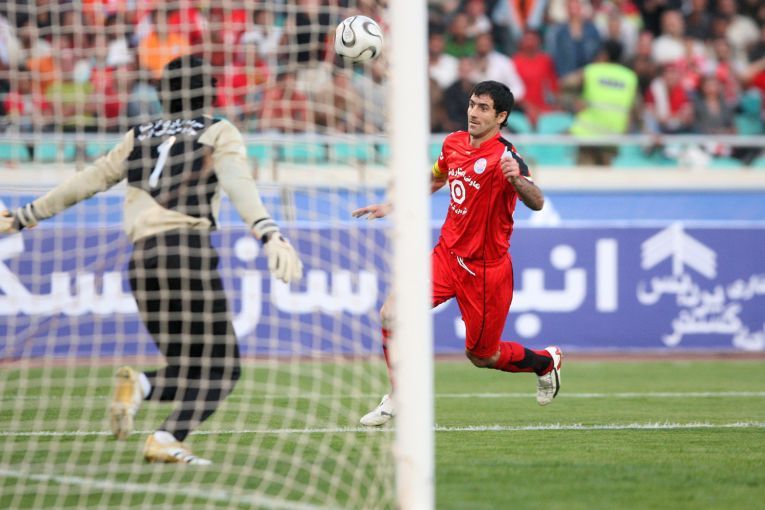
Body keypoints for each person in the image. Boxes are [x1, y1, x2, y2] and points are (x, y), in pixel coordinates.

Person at [0, 55, 303, 464]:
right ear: (209, 93)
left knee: (190, 369)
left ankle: (141, 387)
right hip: (187, 254)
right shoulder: (217, 130)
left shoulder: (137, 135)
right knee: (223, 370)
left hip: (143, 261)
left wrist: (24, 216)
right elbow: (238, 182)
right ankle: (165, 435)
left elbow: (87, 180)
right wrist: (268, 231)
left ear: (164, 94)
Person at [352, 80, 562, 427]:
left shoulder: (506, 157)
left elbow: (537, 201)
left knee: (482, 356)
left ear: (501, 117)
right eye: (472, 104)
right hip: (447, 255)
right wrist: (391, 205)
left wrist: (517, 181)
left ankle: (545, 362)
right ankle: (400, 394)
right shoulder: (453, 143)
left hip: (485, 271)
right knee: (391, 313)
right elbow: (436, 179)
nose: (473, 113)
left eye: (484, 108)